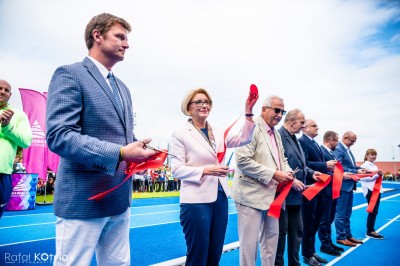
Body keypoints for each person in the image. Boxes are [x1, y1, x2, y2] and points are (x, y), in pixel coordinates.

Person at [46, 13, 157, 265]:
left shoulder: (123, 88)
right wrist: (120, 153)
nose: (126, 44)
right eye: (120, 36)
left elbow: (123, 137)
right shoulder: (70, 74)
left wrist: (140, 151)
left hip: (118, 200)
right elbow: (59, 135)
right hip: (82, 200)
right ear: (97, 35)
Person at [171, 87, 258, 266]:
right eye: (199, 102)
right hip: (195, 201)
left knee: (215, 252)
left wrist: (248, 111)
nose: (204, 105)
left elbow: (245, 138)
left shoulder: (219, 131)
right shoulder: (180, 134)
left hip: (220, 199)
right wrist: (205, 170)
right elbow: (176, 170)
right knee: (198, 253)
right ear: (188, 108)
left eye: (207, 102)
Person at [231, 95, 293, 266]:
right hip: (251, 197)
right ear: (264, 109)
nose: (280, 115)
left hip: (273, 198)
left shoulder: (276, 134)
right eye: (277, 110)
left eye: (283, 111)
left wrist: (288, 173)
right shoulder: (250, 127)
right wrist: (274, 174)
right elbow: (243, 161)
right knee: (249, 247)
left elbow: (283, 160)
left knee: (271, 243)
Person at [275, 109, 318, 266]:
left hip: (297, 196)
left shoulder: (296, 140)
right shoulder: (278, 136)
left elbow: (302, 166)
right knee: (281, 234)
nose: (303, 126)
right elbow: (277, 164)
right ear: (291, 121)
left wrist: (313, 174)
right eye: (301, 122)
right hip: (282, 195)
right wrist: (290, 180)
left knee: (297, 232)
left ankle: (295, 263)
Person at [298, 119, 336, 266]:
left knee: (315, 222)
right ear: (304, 128)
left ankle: (311, 250)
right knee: (308, 223)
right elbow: (305, 164)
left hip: (321, 188)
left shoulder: (315, 143)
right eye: (314, 125)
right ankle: (307, 255)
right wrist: (324, 165)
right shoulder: (302, 142)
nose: (317, 128)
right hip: (310, 188)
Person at [0, 79, 32, 218]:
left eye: (6, 90)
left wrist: (8, 127)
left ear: (10, 95)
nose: (2, 91)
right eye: (0, 88)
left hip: (4, 174)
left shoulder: (18, 115)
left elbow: (26, 142)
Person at [333, 131, 365, 247]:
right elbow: (339, 167)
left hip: (349, 186)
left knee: (347, 213)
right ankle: (340, 237)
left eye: (354, 141)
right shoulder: (339, 149)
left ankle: (348, 235)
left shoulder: (347, 150)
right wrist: (356, 171)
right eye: (352, 141)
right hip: (342, 186)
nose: (353, 143)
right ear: (345, 138)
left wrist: (361, 169)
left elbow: (350, 167)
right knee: (341, 214)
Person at [318, 131, 344, 256]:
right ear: (331, 140)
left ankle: (329, 241)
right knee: (324, 219)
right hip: (325, 190)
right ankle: (325, 245)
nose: (338, 144)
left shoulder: (331, 153)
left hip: (333, 189)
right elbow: (320, 169)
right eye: (337, 141)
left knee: (330, 218)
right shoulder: (321, 151)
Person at [359, 149, 384, 239]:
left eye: (375, 155)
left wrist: (380, 174)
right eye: (372, 155)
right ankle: (370, 231)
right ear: (367, 155)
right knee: (373, 211)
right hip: (370, 190)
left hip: (376, 190)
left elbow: (376, 176)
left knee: (374, 211)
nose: (374, 156)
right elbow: (364, 178)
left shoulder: (374, 165)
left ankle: (371, 230)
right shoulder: (364, 166)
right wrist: (377, 174)